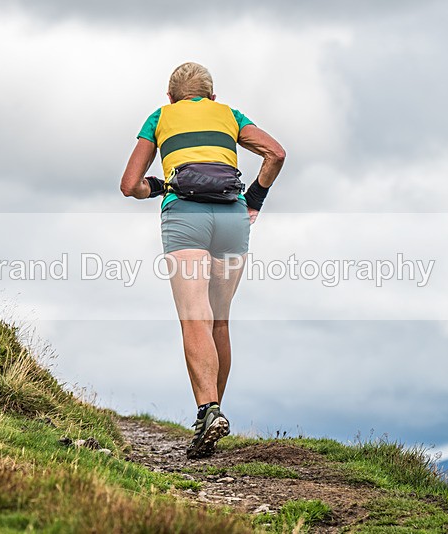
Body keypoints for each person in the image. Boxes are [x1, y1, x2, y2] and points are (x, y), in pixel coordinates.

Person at [120, 62, 285, 459]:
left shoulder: (160, 117)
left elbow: (129, 185)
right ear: (211, 96)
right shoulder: (230, 114)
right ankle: (214, 415)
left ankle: (208, 411)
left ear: (170, 96)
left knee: (195, 316)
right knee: (219, 320)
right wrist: (255, 201)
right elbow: (276, 153)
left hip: (186, 216)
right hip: (232, 217)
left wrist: (157, 186)